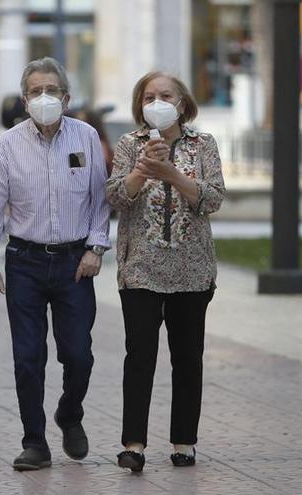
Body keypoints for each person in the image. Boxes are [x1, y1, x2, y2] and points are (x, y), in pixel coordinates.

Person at [0, 56, 111, 471]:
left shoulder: (86, 138)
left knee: (79, 355)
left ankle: (70, 414)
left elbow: (100, 200)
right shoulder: (8, 145)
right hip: (25, 262)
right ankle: (34, 442)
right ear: (24, 99)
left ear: (66, 97)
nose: (44, 97)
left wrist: (96, 248)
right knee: (27, 357)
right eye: (36, 91)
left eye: (52, 90)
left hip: (74, 263)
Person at [105, 71, 225, 472]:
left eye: (165, 95)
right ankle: (133, 444)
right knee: (139, 355)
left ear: (182, 102)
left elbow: (213, 199)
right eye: (149, 96)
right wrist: (142, 169)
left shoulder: (202, 144)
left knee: (188, 357)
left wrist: (174, 174)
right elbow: (117, 196)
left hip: (192, 271)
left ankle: (183, 442)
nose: (157, 102)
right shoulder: (128, 144)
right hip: (140, 268)